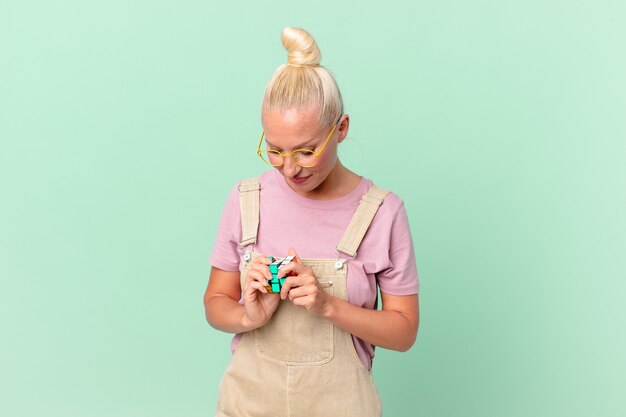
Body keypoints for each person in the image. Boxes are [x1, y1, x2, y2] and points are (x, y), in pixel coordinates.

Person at [204, 26, 420, 417]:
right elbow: (215, 303)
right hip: (248, 403)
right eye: (274, 150)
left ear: (341, 129)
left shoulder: (382, 212)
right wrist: (248, 315)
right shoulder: (246, 200)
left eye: (306, 151)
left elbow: (404, 332)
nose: (289, 169)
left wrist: (327, 306)